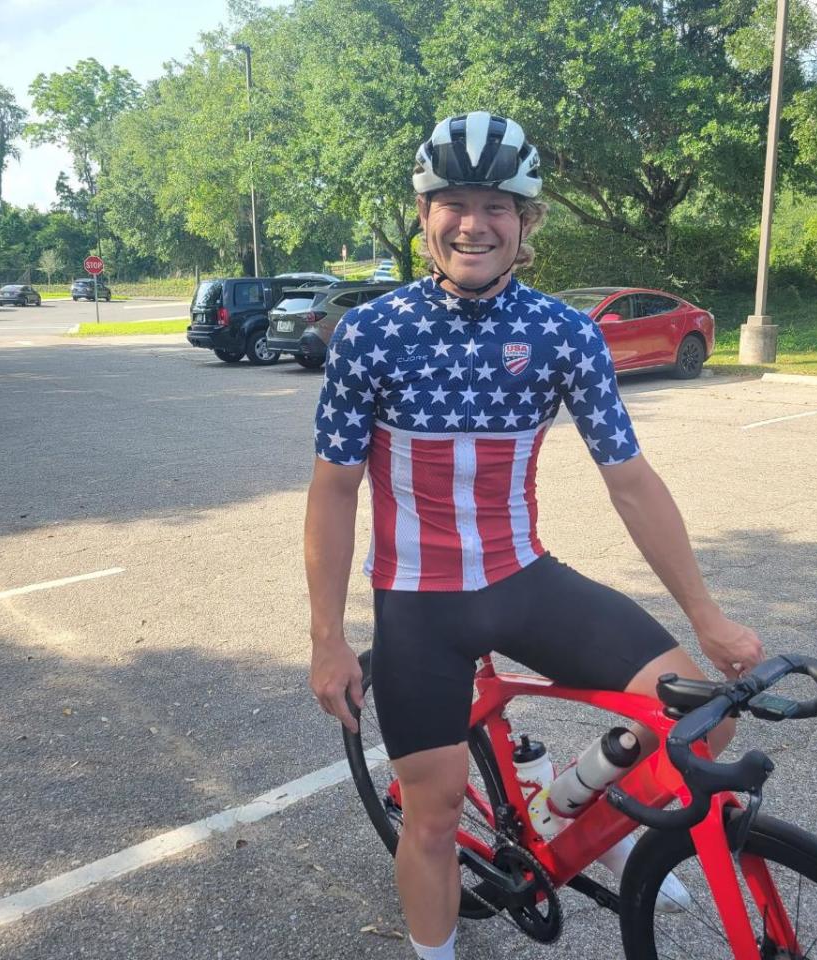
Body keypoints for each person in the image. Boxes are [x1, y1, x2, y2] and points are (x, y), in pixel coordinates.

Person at [305, 111, 764, 960]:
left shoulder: (563, 332)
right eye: (454, 202)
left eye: (497, 205)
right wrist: (328, 637)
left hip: (523, 577)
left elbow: (629, 478)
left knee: (702, 718)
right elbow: (334, 491)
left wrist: (706, 616)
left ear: (526, 224)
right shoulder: (371, 334)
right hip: (418, 602)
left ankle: (597, 810)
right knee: (435, 815)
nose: (474, 223)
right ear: (424, 213)